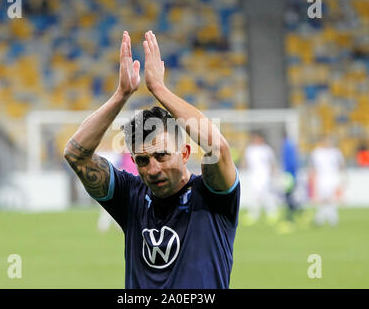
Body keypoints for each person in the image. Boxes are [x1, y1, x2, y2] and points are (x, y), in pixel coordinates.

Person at [64, 31, 240, 289]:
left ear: (185, 154)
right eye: (143, 160)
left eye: (162, 155)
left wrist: (159, 89)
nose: (153, 169)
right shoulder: (130, 196)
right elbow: (76, 155)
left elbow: (218, 148)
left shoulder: (213, 196)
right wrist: (121, 95)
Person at [243, 131, 278, 225]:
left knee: (265, 194)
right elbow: (246, 162)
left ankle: (272, 213)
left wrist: (273, 174)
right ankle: (254, 214)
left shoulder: (267, 149)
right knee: (255, 195)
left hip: (265, 175)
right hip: (254, 175)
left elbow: (272, 163)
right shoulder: (250, 149)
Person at [309, 136, 345, 226]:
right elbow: (312, 167)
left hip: (333, 178)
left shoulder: (336, 152)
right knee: (323, 199)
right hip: (321, 179)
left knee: (330, 199)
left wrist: (342, 178)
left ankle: (327, 219)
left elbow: (341, 165)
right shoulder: (316, 152)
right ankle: (323, 219)